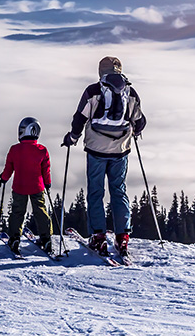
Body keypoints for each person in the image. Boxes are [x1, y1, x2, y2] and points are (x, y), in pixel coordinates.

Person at [62, 56, 146, 256]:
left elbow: (79, 118)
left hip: (96, 150)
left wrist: (72, 137)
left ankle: (98, 237)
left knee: (95, 192)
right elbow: (140, 121)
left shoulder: (93, 91)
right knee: (119, 191)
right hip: (121, 150)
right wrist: (134, 130)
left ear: (101, 71)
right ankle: (122, 236)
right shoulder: (130, 92)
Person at [0, 117, 53, 255]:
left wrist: (3, 179)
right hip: (37, 186)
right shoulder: (42, 150)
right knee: (40, 211)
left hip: (19, 186)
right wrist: (48, 183)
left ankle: (14, 238)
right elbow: (46, 170)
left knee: (17, 212)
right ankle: (46, 238)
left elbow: (9, 168)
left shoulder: (15, 149)